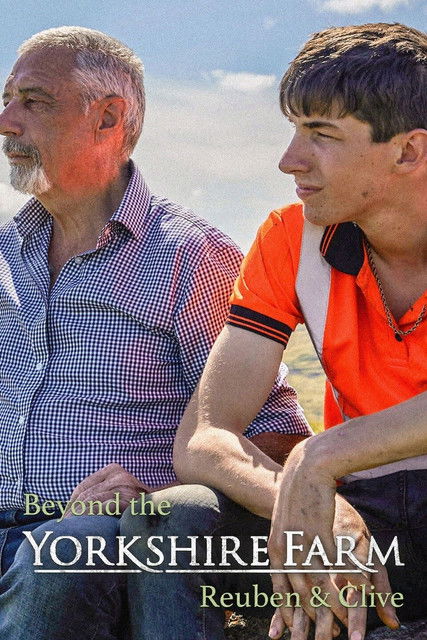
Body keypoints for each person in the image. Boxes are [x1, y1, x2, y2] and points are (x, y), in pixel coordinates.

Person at [0, 26, 310, 640]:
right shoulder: (6, 250)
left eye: (33, 102)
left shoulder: (189, 256)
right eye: (8, 100)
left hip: (91, 546)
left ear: (108, 118)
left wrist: (158, 494)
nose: (7, 121)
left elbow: (273, 433)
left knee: (68, 551)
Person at [154, 21, 425, 640]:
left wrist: (319, 455)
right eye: (294, 130)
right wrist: (311, 505)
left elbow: (318, 456)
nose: (288, 160)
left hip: (358, 481)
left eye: (321, 135)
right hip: (367, 510)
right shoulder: (288, 238)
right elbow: (204, 438)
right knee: (172, 519)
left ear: (408, 151)